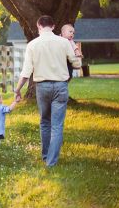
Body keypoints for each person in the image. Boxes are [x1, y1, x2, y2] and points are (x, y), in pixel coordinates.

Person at [14, 15, 82, 167]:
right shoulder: (64, 42)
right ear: (53, 27)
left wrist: (17, 90)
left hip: (42, 88)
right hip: (60, 86)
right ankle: (51, 162)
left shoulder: (32, 45)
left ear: (38, 27)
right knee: (57, 125)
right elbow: (76, 65)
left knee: (45, 122)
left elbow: (26, 72)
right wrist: (77, 55)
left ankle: (46, 157)